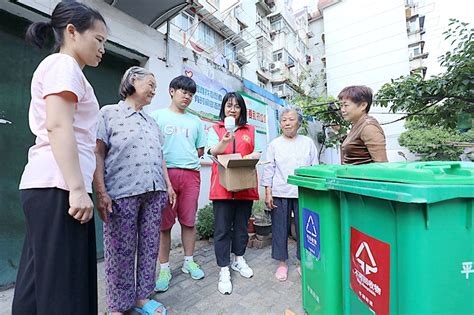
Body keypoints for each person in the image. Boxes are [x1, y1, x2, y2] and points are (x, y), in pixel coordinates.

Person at [13, 2, 107, 314]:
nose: (102, 49)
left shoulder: (66, 70)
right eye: (98, 39)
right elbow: (58, 124)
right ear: (71, 32)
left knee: (39, 281)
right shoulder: (63, 66)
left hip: (52, 184)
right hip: (59, 186)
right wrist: (77, 189)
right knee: (63, 288)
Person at [94, 67, 174, 315]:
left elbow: (160, 157)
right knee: (120, 250)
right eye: (150, 83)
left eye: (155, 85)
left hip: (154, 192)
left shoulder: (151, 121)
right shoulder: (109, 113)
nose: (153, 89)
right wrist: (101, 192)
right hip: (122, 192)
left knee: (150, 246)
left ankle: (142, 298)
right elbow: (97, 152)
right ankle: (118, 305)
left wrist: (168, 186)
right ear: (132, 81)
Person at [150, 75, 207, 292]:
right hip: (166, 175)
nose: (187, 97)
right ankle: (164, 268)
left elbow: (200, 149)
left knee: (189, 222)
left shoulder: (196, 121)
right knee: (165, 225)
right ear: (172, 91)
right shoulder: (157, 116)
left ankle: (188, 261)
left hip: (191, 175)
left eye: (191, 94)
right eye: (184, 92)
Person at [208, 92, 261, 295]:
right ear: (223, 108)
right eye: (229, 106)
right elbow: (213, 151)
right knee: (222, 230)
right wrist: (225, 140)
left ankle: (239, 259)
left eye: (237, 106)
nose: (232, 109)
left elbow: (256, 151)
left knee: (241, 228)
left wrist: (254, 155)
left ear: (242, 109)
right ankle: (224, 268)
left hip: (244, 187)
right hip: (222, 189)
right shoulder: (215, 129)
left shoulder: (251, 130)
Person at [261, 108, 318, 281]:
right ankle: (282, 263)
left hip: (303, 192)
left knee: (304, 229)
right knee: (280, 228)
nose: (286, 123)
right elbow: (269, 168)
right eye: (284, 120)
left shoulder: (307, 142)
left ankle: (302, 262)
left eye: (291, 119)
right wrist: (268, 192)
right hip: (280, 191)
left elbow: (314, 167)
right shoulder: (275, 144)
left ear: (298, 123)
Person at [338, 85, 388, 164]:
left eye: (346, 105)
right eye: (341, 105)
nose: (342, 110)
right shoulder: (357, 125)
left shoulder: (369, 127)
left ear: (363, 105)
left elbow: (381, 163)